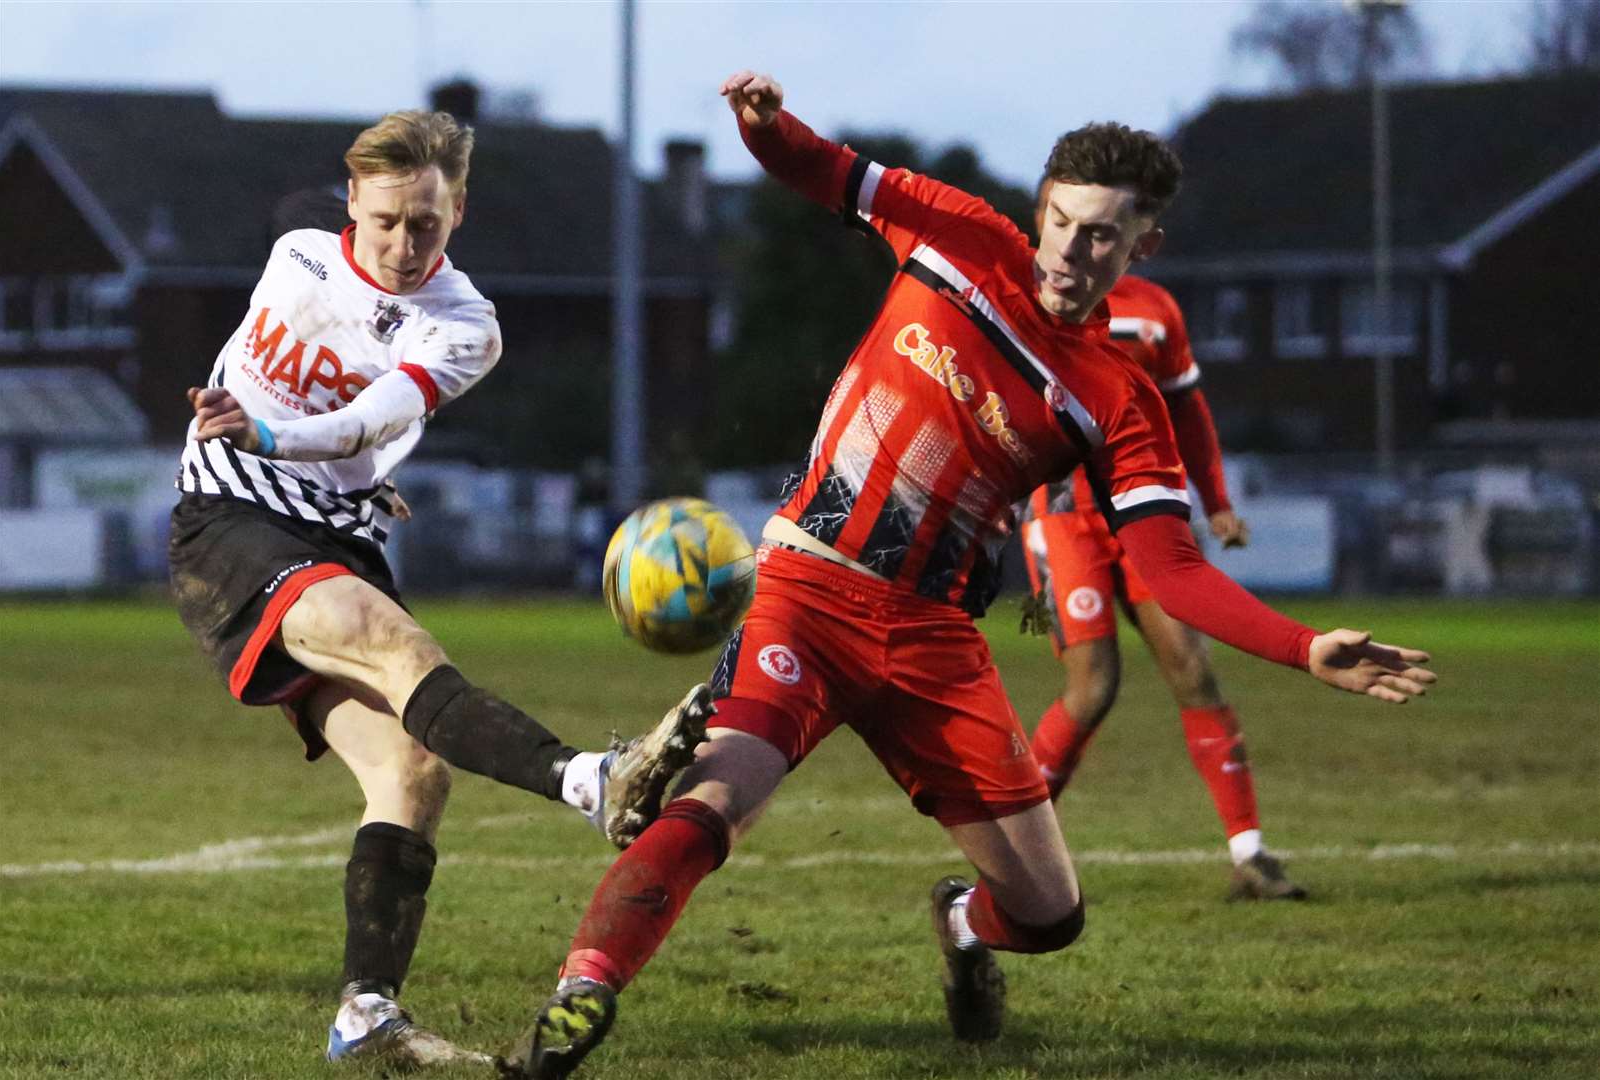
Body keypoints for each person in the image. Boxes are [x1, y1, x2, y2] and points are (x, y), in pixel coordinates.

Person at [498, 72, 1437, 1079]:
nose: (1077, 251)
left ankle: (963, 924)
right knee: (715, 799)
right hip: (807, 595)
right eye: (1066, 223)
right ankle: (580, 997)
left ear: (1142, 248)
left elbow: (1169, 569)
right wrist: (764, 127)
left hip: (936, 646)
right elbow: (822, 172)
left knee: (1050, 914)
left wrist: (1305, 647)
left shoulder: (1117, 399)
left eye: (1106, 235)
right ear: (1040, 210)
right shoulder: (957, 235)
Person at [167, 108, 712, 1068]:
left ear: (457, 211)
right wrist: (256, 435)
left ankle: (366, 1015)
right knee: (401, 650)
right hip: (231, 521)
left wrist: (309, 452)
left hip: (333, 533)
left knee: (413, 774)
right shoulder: (296, 254)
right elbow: (302, 414)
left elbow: (370, 415)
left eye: (425, 222)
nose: (403, 243)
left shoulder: (467, 326)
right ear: (351, 204)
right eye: (384, 221)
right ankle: (593, 781)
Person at [1021, 257, 1304, 899]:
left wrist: (1216, 500)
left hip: (1147, 506)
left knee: (1193, 668)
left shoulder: (1155, 309)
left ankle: (1250, 854)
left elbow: (1188, 408)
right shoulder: (1026, 297)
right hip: (1065, 516)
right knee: (1093, 688)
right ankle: (1017, 851)